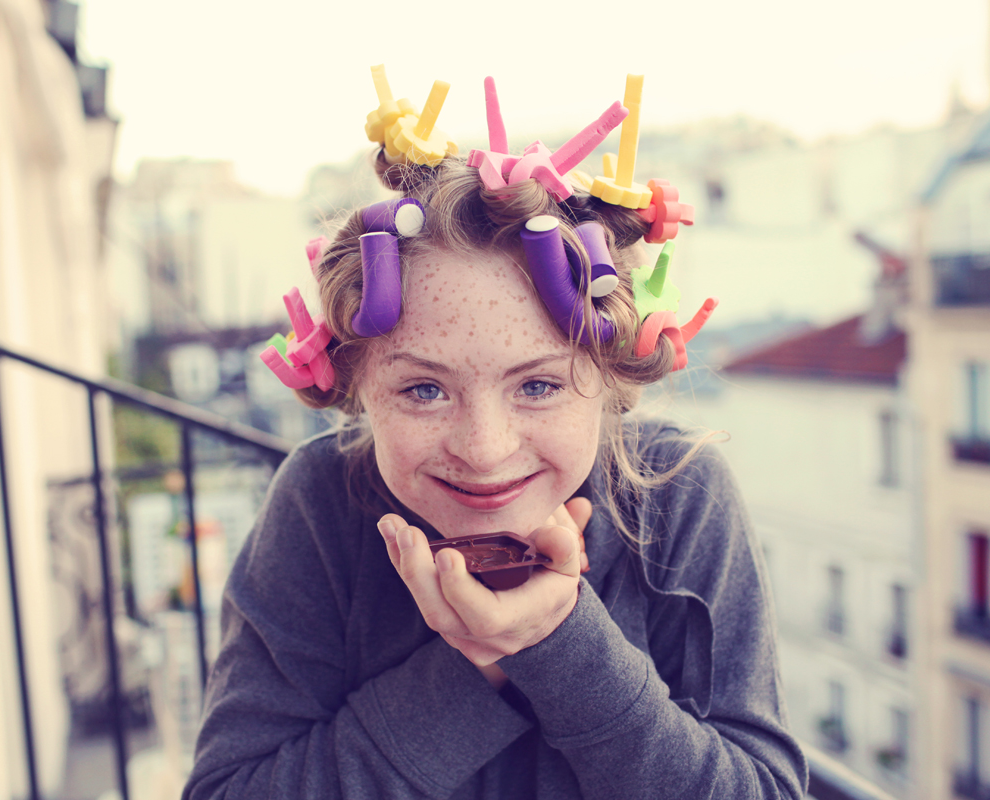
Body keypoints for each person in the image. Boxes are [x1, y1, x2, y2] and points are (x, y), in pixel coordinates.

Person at [183, 69, 808, 799]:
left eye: (537, 385)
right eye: (423, 389)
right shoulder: (320, 501)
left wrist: (560, 641)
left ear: (609, 380)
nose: (484, 449)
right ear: (357, 391)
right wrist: (473, 662)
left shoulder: (680, 495)